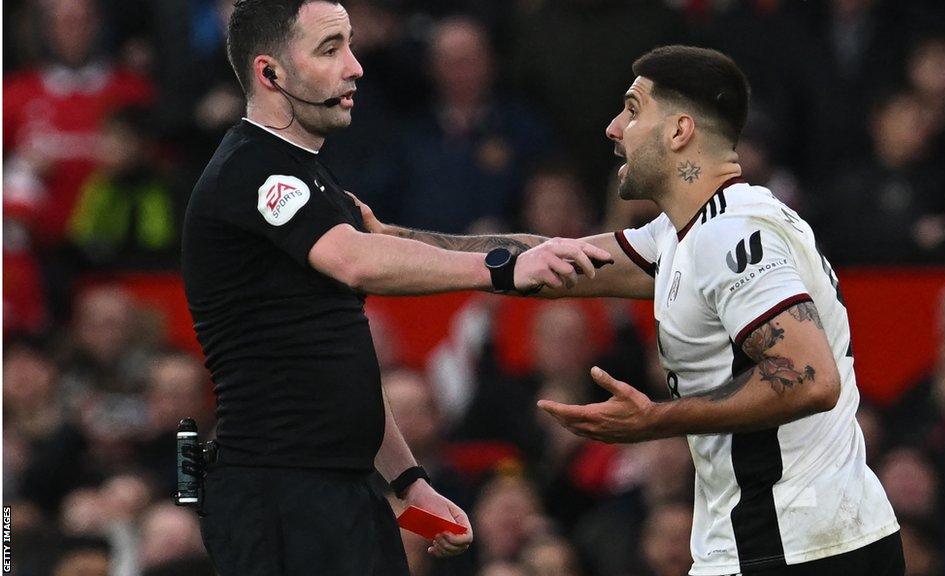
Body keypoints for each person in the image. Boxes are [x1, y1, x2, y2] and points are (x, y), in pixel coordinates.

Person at [352, 45, 903, 575]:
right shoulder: (689, 233)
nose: (613, 128)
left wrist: (654, 420)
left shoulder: (731, 235)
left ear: (680, 131)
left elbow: (810, 379)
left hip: (796, 546)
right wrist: (397, 239)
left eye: (633, 110)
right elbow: (548, 263)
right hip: (799, 539)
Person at [180, 1, 609, 575]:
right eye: (330, 49)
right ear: (270, 73)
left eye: (351, 46)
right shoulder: (252, 168)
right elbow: (358, 259)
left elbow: (343, 350)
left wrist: (410, 483)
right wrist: (502, 272)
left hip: (345, 490)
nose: (355, 66)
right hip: (277, 494)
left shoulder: (316, 184)